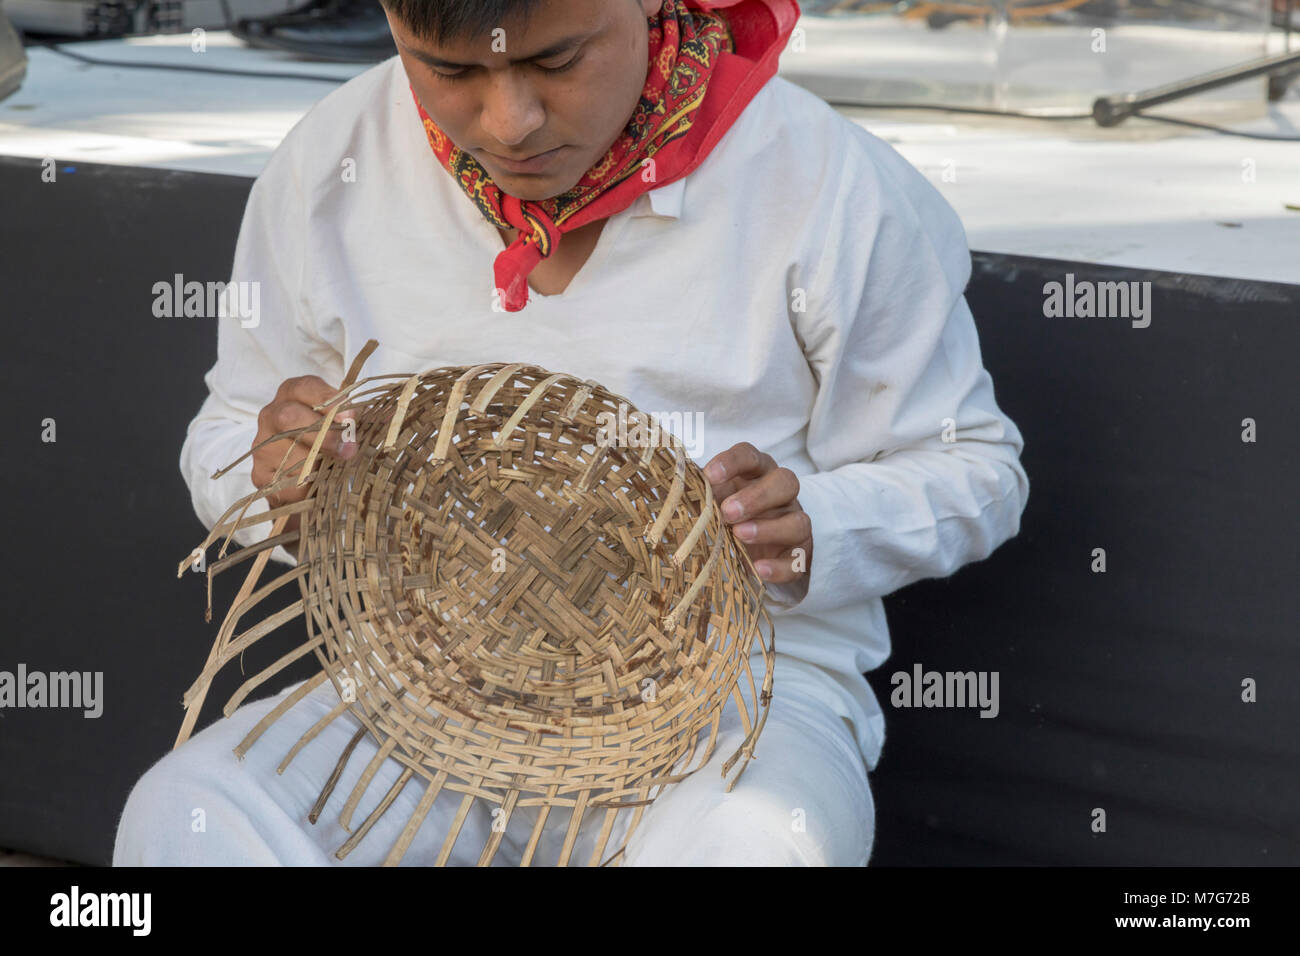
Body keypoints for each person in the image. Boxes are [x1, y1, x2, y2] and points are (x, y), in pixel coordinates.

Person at [113, 0, 1029, 866]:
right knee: (191, 809)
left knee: (750, 845)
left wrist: (814, 527)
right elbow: (229, 429)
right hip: (426, 702)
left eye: (558, 59)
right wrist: (276, 482)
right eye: (449, 68)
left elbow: (974, 468)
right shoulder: (332, 160)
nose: (509, 121)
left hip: (734, 708)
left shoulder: (820, 178)